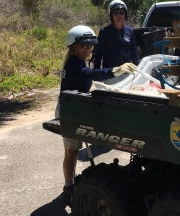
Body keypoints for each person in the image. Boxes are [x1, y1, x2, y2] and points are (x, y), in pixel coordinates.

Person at [56, 25, 137, 203]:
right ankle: (69, 188)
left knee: (75, 149)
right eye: (84, 46)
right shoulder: (73, 64)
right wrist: (114, 70)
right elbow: (88, 74)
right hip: (68, 110)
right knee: (71, 151)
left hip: (77, 106)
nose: (88, 48)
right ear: (73, 47)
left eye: (91, 45)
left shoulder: (79, 60)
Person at [93, 0, 140, 83]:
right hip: (110, 75)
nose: (119, 15)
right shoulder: (104, 32)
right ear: (111, 15)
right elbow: (98, 55)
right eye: (116, 13)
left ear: (125, 15)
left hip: (127, 74)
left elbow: (134, 54)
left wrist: (139, 71)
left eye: (121, 13)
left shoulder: (130, 31)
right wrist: (97, 75)